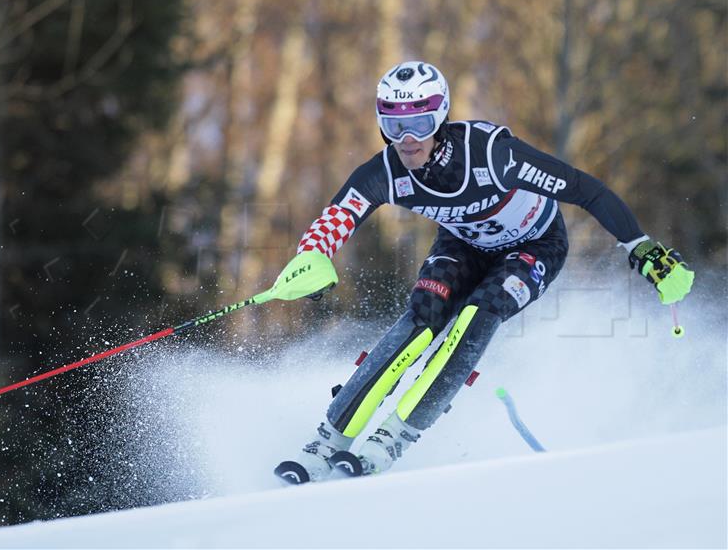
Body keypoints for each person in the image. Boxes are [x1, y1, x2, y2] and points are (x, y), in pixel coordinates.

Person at [272, 61, 694, 484]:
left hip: (535, 245)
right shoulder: (387, 171)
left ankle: (396, 435)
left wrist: (641, 248)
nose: (407, 139)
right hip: (464, 247)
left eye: (419, 123)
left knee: (481, 311)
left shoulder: (493, 155)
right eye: (393, 124)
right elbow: (338, 216)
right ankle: (329, 440)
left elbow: (586, 190)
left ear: (439, 117)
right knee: (423, 315)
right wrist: (312, 256)